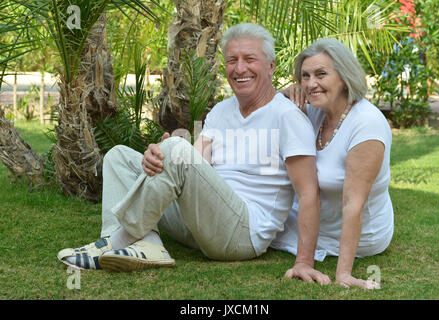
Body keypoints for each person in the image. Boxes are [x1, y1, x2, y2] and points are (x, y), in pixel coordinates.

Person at [57, 23, 330, 284]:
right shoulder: (222, 110)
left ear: (270, 66)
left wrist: (304, 262)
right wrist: (159, 156)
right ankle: (145, 245)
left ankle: (116, 243)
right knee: (119, 156)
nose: (239, 68)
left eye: (250, 59)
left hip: (241, 236)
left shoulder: (287, 117)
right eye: (231, 60)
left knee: (177, 149)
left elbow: (308, 193)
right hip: (201, 223)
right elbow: (197, 162)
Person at [271, 38, 394, 289]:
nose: (310, 83)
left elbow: (353, 203)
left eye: (321, 74)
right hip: (315, 221)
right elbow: (269, 106)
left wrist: (344, 274)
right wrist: (285, 94)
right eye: (304, 76)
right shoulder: (316, 110)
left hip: (359, 236)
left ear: (344, 76)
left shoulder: (366, 124)